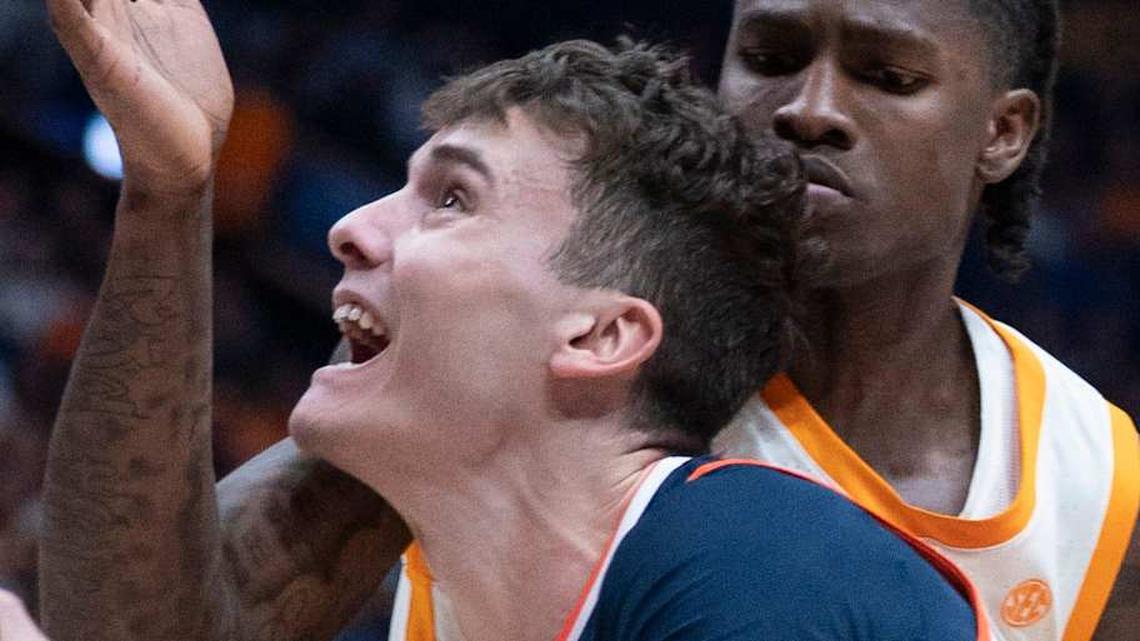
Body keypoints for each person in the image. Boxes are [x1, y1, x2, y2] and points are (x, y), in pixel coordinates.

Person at [37, 1, 1135, 641]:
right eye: (768, 55)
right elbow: (142, 625)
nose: (809, 109)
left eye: (887, 75)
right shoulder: (497, 368)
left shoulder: (1099, 478)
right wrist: (168, 193)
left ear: (1005, 132)